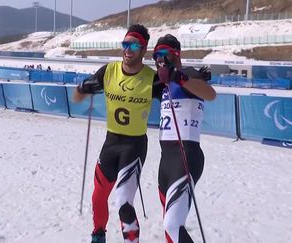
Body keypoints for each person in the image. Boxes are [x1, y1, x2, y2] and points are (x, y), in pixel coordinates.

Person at [73, 24, 156, 243]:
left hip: (135, 146)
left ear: (143, 49)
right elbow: (77, 97)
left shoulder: (152, 78)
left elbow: (177, 95)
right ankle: (98, 235)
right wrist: (82, 89)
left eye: (134, 45)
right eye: (125, 44)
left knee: (123, 202)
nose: (128, 49)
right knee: (98, 197)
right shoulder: (108, 71)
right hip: (111, 143)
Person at [151, 34, 216, 243]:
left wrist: (180, 78)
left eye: (164, 53)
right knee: (169, 223)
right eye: (156, 55)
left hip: (186, 156)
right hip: (166, 161)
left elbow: (210, 94)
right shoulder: (162, 83)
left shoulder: (187, 74)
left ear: (176, 54)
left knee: (172, 223)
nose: (159, 58)